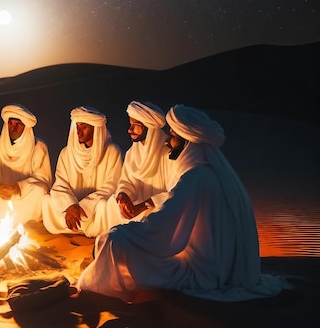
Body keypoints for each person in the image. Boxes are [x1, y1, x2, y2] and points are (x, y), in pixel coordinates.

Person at [77, 104, 290, 302]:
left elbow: (161, 228)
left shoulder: (194, 178)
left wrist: (117, 234)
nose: (167, 141)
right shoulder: (209, 173)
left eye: (172, 136)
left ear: (187, 141)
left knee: (114, 243)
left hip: (200, 272)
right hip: (219, 267)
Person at [41, 106, 123, 237]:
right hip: (71, 210)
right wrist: (70, 205)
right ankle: (76, 222)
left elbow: (111, 186)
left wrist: (85, 206)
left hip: (94, 209)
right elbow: (60, 184)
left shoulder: (112, 151)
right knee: (47, 201)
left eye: (84, 127)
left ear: (96, 128)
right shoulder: (66, 153)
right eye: (77, 126)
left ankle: (82, 224)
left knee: (105, 205)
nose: (79, 132)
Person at [0, 104, 52, 224]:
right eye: (11, 123)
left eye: (18, 124)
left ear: (25, 126)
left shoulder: (38, 146)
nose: (13, 128)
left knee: (40, 190)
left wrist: (18, 188)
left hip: (23, 195)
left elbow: (42, 178)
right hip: (0, 193)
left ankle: (25, 220)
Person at [115, 100, 174, 221]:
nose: (129, 130)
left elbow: (176, 193)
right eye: (130, 124)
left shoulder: (168, 153)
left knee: (157, 215)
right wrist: (123, 195)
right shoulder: (132, 153)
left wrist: (144, 205)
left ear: (149, 127)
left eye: (135, 125)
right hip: (138, 206)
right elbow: (127, 182)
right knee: (111, 204)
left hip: (160, 207)